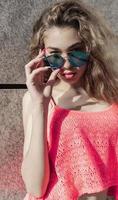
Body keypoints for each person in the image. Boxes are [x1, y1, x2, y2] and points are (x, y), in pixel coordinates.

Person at [21, 0, 118, 199]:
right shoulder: (35, 100)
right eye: (55, 56)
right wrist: (41, 104)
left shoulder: (112, 95)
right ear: (42, 54)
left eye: (76, 53)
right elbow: (34, 187)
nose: (66, 65)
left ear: (90, 49)